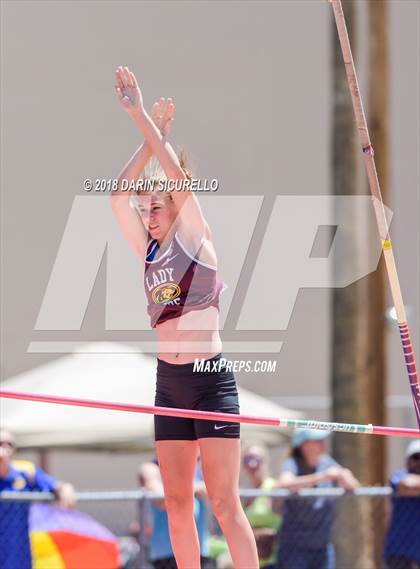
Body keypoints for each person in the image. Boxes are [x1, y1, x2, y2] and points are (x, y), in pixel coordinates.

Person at [110, 66, 258, 568]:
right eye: (144, 209)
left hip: (210, 381)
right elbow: (114, 196)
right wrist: (150, 143)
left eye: (156, 208)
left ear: (176, 208)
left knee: (223, 502)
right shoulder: (148, 252)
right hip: (169, 382)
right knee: (175, 501)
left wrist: (142, 119)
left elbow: (177, 180)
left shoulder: (197, 239)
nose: (147, 215)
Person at [274, 429, 359, 569]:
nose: (322, 444)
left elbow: (353, 485)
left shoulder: (326, 462)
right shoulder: (293, 463)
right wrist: (321, 477)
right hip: (294, 546)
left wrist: (344, 474)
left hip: (322, 545)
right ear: (303, 445)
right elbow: (284, 483)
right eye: (317, 441)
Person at [0, 429, 75, 569]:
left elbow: (53, 484)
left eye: (9, 444)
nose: (4, 448)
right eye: (0, 443)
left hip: (16, 546)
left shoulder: (25, 471)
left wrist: (65, 488)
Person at [137, 456, 215, 569]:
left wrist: (175, 491)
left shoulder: (198, 466)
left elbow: (213, 490)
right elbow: (160, 498)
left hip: (200, 551)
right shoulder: (151, 468)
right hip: (166, 553)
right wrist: (193, 490)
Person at [242, 443, 281, 567]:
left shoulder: (273, 487)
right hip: (253, 562)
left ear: (266, 462)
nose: (252, 464)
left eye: (256, 459)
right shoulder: (248, 493)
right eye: (247, 460)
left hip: (275, 561)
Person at [384, 439, 420, 569]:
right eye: (415, 457)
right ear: (407, 460)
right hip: (400, 552)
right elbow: (406, 485)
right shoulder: (399, 475)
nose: (418, 462)